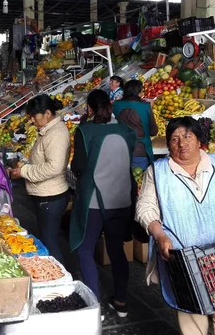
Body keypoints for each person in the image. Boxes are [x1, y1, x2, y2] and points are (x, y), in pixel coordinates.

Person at [135, 117, 215, 335]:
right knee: (193, 325)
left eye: (188, 136)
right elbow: (145, 208)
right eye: (175, 139)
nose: (181, 143)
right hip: (185, 265)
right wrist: (159, 235)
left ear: (199, 141)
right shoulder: (157, 172)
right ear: (168, 145)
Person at [70, 89, 136, 318]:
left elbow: (77, 167)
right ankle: (121, 303)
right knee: (117, 250)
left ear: (89, 108)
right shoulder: (126, 131)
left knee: (85, 250)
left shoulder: (85, 131)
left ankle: (94, 305)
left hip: (94, 202)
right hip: (122, 200)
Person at [9, 95, 70, 265]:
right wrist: (26, 165)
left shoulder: (56, 134)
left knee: (50, 242)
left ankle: (61, 282)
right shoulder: (47, 130)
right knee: (47, 238)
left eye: (34, 116)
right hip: (45, 194)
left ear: (48, 113)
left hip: (51, 196)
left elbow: (54, 167)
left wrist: (25, 171)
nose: (32, 120)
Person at [113, 79, 158, 171]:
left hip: (120, 151)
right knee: (139, 181)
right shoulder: (145, 107)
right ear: (137, 93)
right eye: (141, 92)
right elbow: (154, 131)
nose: (142, 94)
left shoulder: (115, 105)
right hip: (140, 152)